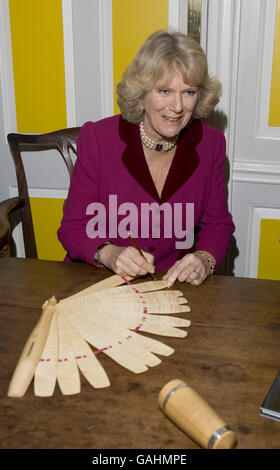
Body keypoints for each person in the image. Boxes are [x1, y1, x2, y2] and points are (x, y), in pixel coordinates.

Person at [58, 30, 235, 287]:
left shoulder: (211, 144)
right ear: (142, 93)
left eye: (188, 92)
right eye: (164, 91)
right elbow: (72, 227)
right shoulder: (98, 139)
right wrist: (108, 253)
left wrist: (203, 259)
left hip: (169, 285)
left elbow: (217, 224)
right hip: (99, 282)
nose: (177, 107)